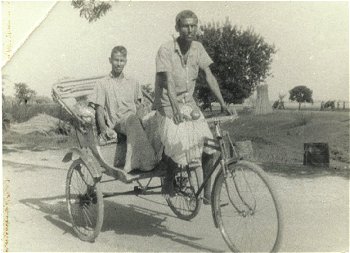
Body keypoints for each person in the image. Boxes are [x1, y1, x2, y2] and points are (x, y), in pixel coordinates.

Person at [154, 10, 233, 202]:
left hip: (188, 104)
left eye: (193, 25)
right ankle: (169, 180)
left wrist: (223, 104)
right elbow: (168, 82)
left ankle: (206, 193)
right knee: (177, 145)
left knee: (210, 146)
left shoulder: (198, 47)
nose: (190, 29)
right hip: (166, 105)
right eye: (185, 26)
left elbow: (209, 76)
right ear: (177, 28)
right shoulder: (165, 50)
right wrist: (175, 110)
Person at [94, 46, 156, 172]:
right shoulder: (102, 83)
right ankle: (134, 161)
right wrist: (103, 129)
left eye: (121, 61)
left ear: (126, 61)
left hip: (133, 121)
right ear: (110, 60)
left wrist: (144, 119)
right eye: (116, 60)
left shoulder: (133, 81)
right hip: (118, 123)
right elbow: (99, 110)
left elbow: (139, 106)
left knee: (156, 118)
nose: (118, 64)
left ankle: (159, 159)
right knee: (132, 120)